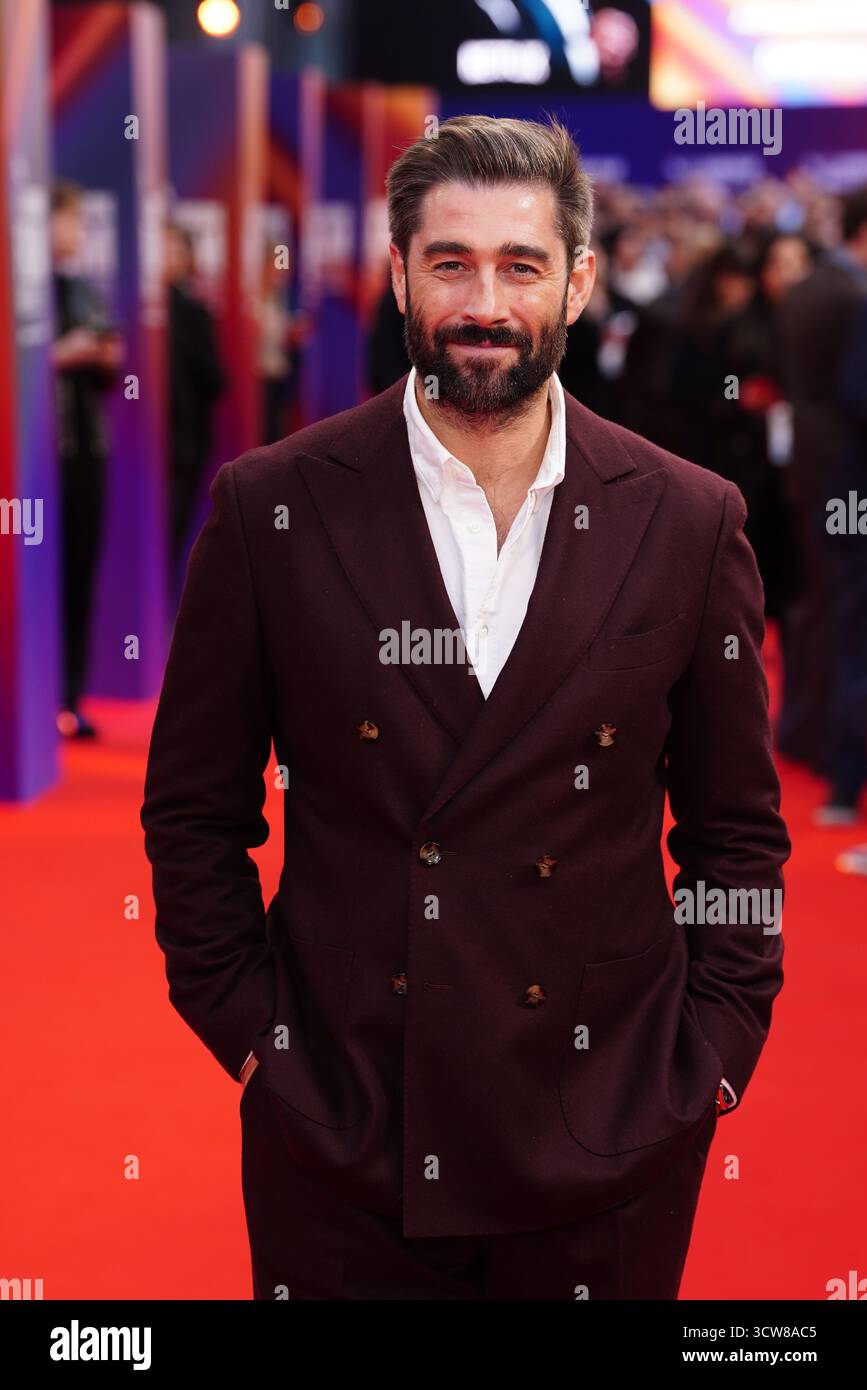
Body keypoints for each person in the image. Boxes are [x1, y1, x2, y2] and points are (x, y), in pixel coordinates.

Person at [141, 115, 789, 1301]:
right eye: (450, 262)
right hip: (344, 1147)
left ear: (579, 281)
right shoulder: (271, 509)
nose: (483, 301)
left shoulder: (690, 521)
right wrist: (260, 1043)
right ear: (398, 274)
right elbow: (192, 814)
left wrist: (711, 1058)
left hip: (608, 1142)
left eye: (521, 265)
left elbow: (736, 831)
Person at [776, 188, 867, 782]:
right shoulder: (852, 294)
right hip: (849, 477)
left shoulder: (802, 288)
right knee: (845, 618)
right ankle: (836, 755)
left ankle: (806, 733)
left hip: (811, 469)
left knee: (818, 607)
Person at [51, 179, 124, 739]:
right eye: (71, 220)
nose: (78, 233)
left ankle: (69, 698)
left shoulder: (84, 289)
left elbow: (110, 370)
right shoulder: (22, 285)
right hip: (37, 459)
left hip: (86, 451)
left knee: (81, 574)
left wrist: (102, 356)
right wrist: (56, 356)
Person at [165, 221, 226, 596]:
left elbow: (215, 379)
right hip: (170, 444)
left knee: (175, 532)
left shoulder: (191, 309)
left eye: (172, 247)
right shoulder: (180, 310)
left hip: (185, 441)